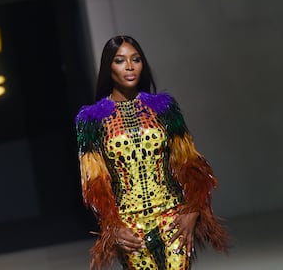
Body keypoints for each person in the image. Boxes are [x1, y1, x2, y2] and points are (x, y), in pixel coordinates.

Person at [75, 35, 229, 270]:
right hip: (130, 228)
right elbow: (94, 183)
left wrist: (193, 210)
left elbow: (190, 162)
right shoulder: (92, 120)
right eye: (120, 60)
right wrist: (112, 227)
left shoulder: (163, 108)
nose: (129, 66)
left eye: (135, 59)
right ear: (108, 67)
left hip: (173, 217)